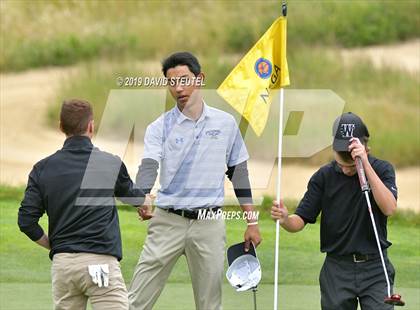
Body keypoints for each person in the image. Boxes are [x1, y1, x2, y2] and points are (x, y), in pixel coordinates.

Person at [128, 52, 261, 310]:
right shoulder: (159, 127)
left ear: (200, 79)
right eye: (171, 82)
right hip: (167, 221)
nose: (178, 88)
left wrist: (252, 222)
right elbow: (149, 166)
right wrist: (142, 195)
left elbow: (239, 174)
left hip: (209, 225)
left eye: (185, 80)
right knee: (136, 300)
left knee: (209, 304)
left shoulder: (225, 124)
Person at [18, 99, 148, 310]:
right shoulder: (109, 163)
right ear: (91, 126)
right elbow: (133, 197)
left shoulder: (42, 168)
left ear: (61, 126)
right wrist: (146, 204)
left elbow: (26, 221)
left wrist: (55, 246)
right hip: (100, 265)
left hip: (63, 266)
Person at [271, 112, 398, 310]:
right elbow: (299, 221)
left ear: (366, 148)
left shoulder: (381, 170)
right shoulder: (323, 177)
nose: (347, 168)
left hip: (375, 266)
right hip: (337, 268)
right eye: (342, 160)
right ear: (333, 149)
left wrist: (364, 164)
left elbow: (389, 208)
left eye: (351, 162)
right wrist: (286, 218)